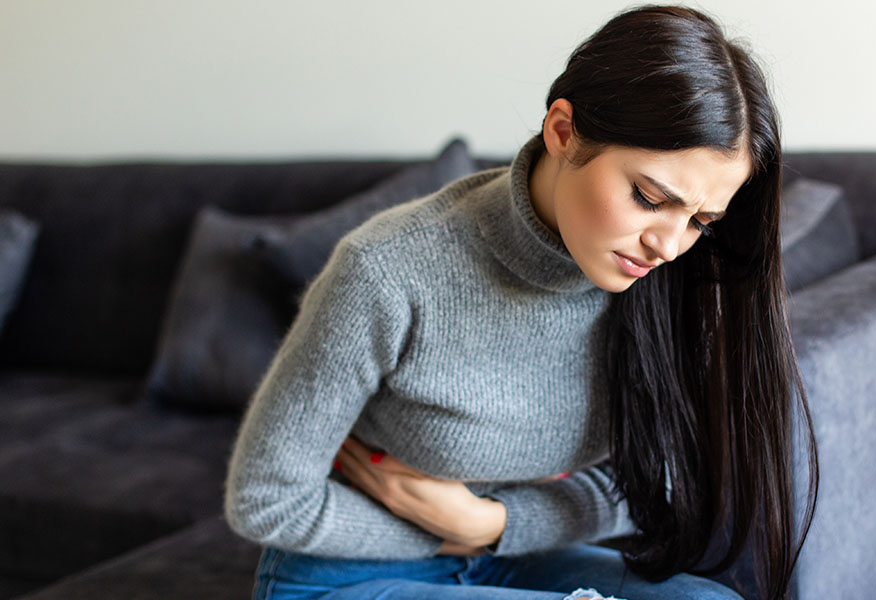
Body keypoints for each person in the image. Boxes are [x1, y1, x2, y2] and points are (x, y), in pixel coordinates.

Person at [224, 4, 818, 599]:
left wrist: (490, 526)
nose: (668, 243)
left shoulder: (665, 279)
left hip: (508, 555)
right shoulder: (385, 271)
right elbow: (265, 499)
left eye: (701, 220)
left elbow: (658, 484)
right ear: (562, 131)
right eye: (647, 196)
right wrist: (445, 536)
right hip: (344, 574)